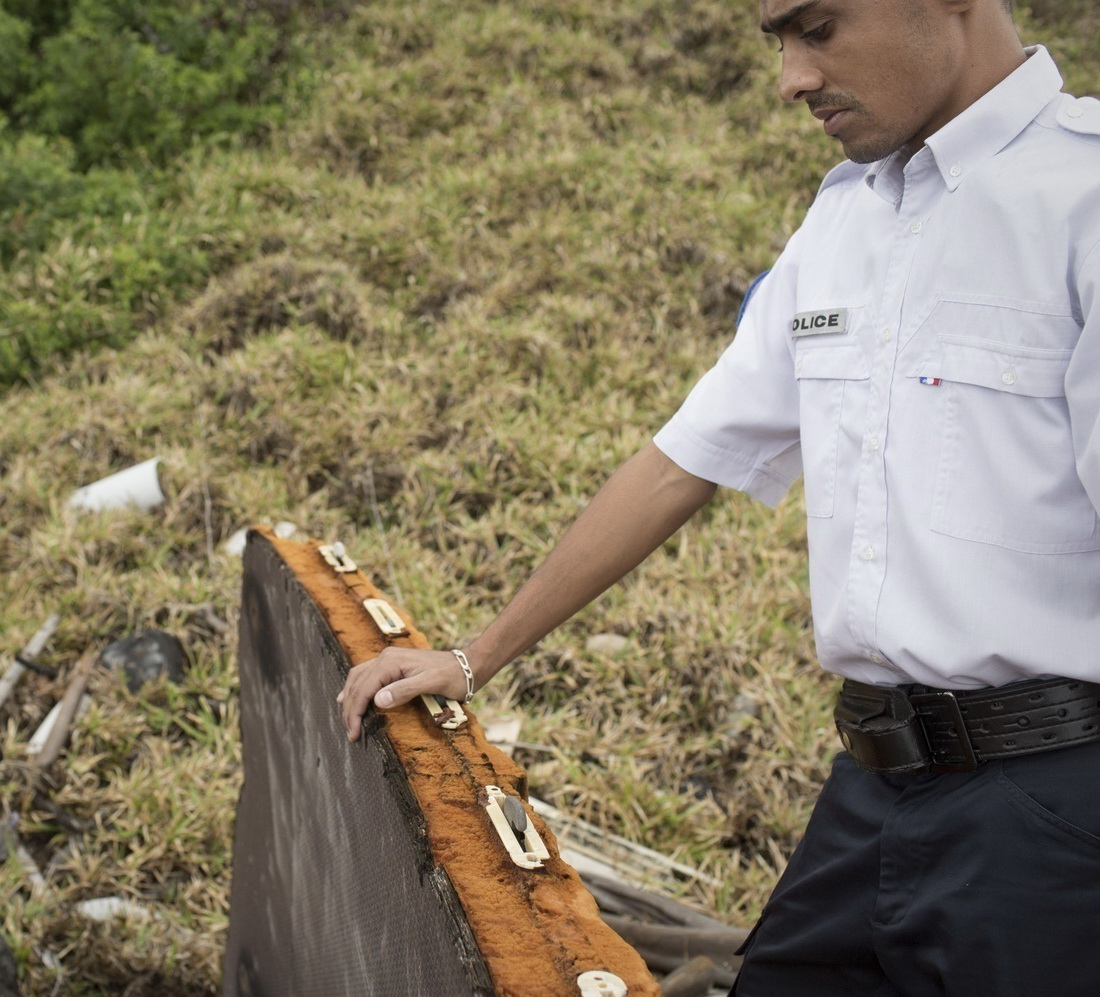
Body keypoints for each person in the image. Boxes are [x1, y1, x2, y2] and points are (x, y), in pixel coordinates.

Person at [339, 0, 1100, 993]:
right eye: (776, 43)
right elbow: (681, 462)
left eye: (817, 29)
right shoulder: (846, 217)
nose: (790, 79)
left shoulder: (1081, 199)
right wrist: (472, 656)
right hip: (871, 787)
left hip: (1049, 810)